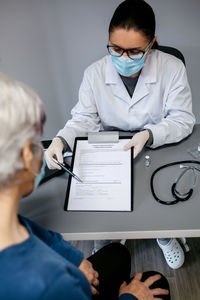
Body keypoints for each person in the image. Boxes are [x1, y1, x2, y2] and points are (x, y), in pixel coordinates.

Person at [45, 0, 195, 269]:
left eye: (135, 51)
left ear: (152, 44)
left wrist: (149, 135)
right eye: (116, 49)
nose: (124, 58)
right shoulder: (94, 73)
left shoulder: (172, 69)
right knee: (107, 212)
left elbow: (183, 120)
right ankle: (110, 238)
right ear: (108, 41)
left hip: (156, 144)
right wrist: (61, 140)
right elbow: (83, 119)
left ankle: (162, 233)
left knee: (157, 203)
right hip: (111, 147)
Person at [0, 72, 171, 300]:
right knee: (157, 283)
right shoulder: (50, 285)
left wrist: (74, 259)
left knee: (118, 253)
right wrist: (131, 297)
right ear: (25, 156)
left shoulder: (9, 223)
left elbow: (28, 228)